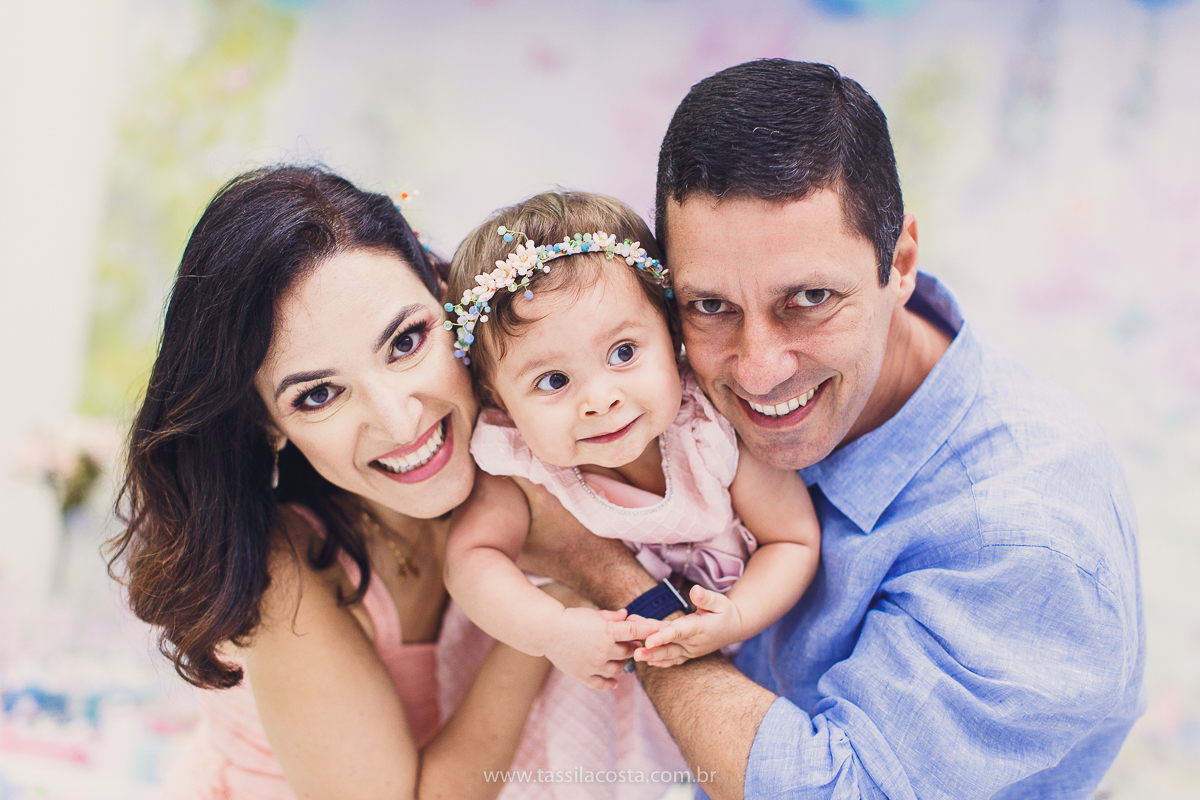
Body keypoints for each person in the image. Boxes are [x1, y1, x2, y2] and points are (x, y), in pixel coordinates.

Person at [517, 60, 1145, 799]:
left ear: (900, 262)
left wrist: (605, 571)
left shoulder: (1020, 542)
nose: (756, 371)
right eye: (710, 306)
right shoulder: (654, 391)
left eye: (809, 299)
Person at [108, 166, 683, 800]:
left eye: (407, 341)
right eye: (319, 394)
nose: (398, 419)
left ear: (448, 301)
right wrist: (553, 611)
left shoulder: (549, 428)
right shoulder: (287, 571)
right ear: (265, 425)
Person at [442, 191, 820, 686]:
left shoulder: (709, 430)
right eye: (553, 381)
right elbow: (469, 562)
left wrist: (739, 615)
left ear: (672, 334)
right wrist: (551, 631)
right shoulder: (522, 464)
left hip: (735, 666)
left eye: (623, 352)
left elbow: (792, 538)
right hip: (589, 680)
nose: (599, 400)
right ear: (498, 400)